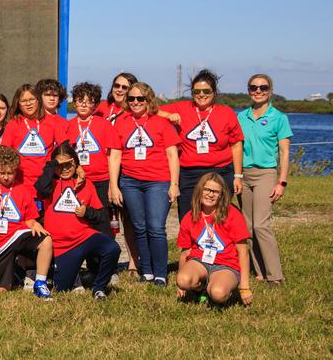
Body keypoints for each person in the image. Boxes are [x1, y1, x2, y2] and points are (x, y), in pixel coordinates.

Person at [109, 81, 179, 285]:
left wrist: (174, 184)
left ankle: (160, 273)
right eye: (131, 99)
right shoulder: (122, 122)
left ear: (149, 99)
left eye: (140, 98)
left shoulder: (161, 122)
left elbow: (172, 155)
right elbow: (115, 156)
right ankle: (146, 271)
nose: (135, 102)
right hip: (130, 181)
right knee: (139, 227)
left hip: (158, 181)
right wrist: (114, 186)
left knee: (156, 227)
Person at [37, 144, 121, 298]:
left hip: (84, 238)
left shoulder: (85, 183)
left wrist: (86, 212)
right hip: (62, 247)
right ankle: (75, 275)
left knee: (112, 248)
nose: (64, 169)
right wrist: (54, 164)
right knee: (61, 288)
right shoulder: (50, 184)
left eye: (68, 164)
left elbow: (101, 216)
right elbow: (40, 188)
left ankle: (99, 287)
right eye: (59, 166)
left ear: (76, 163)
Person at [159, 69, 244, 221]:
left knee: (217, 218)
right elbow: (151, 110)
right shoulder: (183, 107)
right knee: (188, 218)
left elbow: (236, 145)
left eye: (206, 90)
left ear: (214, 92)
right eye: (196, 91)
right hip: (188, 173)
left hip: (221, 172)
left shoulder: (226, 112)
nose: (201, 94)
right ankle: (189, 245)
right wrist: (168, 115)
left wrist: (238, 176)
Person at [236, 73, 291, 285]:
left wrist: (282, 182)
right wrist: (237, 176)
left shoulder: (279, 118)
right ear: (249, 90)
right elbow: (236, 148)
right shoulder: (241, 117)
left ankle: (275, 275)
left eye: (263, 87)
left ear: (270, 90)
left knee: (261, 225)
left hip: (266, 174)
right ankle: (259, 271)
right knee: (247, 228)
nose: (258, 91)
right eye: (254, 87)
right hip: (243, 175)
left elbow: (285, 152)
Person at [0, 147, 52, 298]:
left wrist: (35, 224)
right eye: (2, 173)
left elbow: (29, 219)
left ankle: (40, 283)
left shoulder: (23, 190)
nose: (6, 177)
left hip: (17, 235)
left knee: (46, 240)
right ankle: (14, 274)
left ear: (16, 171)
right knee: (1, 291)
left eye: (10, 173)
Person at [176, 173, 253, 305]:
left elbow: (243, 251)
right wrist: (180, 284)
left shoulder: (233, 214)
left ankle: (224, 288)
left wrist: (244, 286)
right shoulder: (189, 216)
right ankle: (201, 288)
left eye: (216, 192)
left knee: (217, 293)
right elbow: (185, 252)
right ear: (200, 191)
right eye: (207, 190)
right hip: (199, 261)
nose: (210, 195)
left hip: (226, 264)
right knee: (183, 280)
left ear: (221, 196)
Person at [0, 84, 63, 186]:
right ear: (18, 104)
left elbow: (64, 149)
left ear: (38, 100)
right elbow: (4, 155)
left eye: (32, 99)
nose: (28, 104)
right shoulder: (13, 124)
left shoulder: (52, 122)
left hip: (46, 182)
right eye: (23, 101)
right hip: (20, 183)